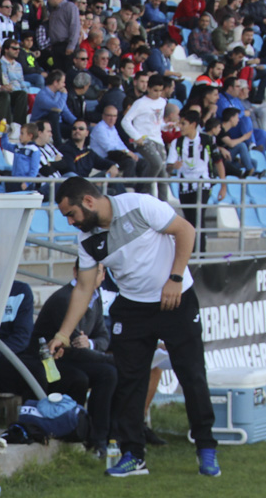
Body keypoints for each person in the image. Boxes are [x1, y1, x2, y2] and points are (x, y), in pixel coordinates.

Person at [51, 176, 220, 478]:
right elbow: (83, 288)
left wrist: (176, 278)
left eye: (71, 214)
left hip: (176, 298)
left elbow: (186, 230)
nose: (70, 222)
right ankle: (133, 455)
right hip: (133, 307)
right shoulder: (87, 239)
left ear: (88, 202)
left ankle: (206, 448)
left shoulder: (139, 205)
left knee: (191, 373)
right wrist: (63, 334)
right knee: (129, 381)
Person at [31, 262, 118, 456]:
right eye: (89, 272)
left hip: (76, 358)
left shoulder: (96, 297)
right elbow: (71, 348)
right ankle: (79, 430)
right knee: (93, 374)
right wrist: (112, 360)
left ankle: (100, 438)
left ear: (103, 276)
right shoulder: (65, 299)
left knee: (108, 374)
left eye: (99, 272)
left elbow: (103, 337)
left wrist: (91, 343)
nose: (94, 276)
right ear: (76, 272)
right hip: (51, 361)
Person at [167, 109, 226, 252]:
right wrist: (174, 166)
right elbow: (168, 167)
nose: (180, 126)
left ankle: (200, 253)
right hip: (184, 186)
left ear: (193, 124)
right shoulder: (177, 142)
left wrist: (223, 186)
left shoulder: (207, 140)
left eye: (183, 123)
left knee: (198, 217)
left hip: (203, 184)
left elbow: (218, 162)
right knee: (188, 219)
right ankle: (190, 253)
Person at [121, 73, 167, 199]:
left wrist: (166, 126)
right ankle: (143, 190)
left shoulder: (162, 102)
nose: (158, 93)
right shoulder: (140, 103)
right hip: (144, 139)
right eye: (155, 90)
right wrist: (137, 137)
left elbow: (157, 122)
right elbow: (125, 121)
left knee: (163, 175)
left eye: (160, 90)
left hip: (158, 139)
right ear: (148, 88)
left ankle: (165, 205)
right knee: (156, 164)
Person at [29, 69, 75, 146]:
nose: (64, 85)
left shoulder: (59, 93)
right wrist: (64, 94)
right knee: (54, 114)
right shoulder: (42, 95)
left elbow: (66, 111)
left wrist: (77, 123)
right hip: (40, 125)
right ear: (55, 82)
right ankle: (59, 146)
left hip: (57, 124)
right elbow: (58, 108)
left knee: (77, 130)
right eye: (63, 82)